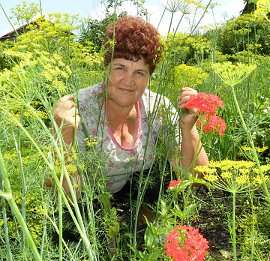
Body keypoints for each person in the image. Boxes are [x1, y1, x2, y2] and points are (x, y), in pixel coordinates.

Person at [53, 15, 209, 211]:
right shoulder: (78, 110)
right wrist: (62, 135)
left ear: (149, 78)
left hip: (136, 194)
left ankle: (144, 230)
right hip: (89, 200)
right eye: (120, 68)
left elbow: (196, 177)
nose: (128, 81)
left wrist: (188, 128)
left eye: (140, 72)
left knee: (163, 176)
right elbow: (66, 196)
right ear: (105, 68)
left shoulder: (157, 107)